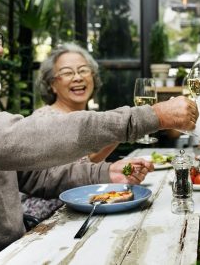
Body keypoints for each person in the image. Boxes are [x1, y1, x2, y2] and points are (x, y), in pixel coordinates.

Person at [0, 0, 198, 264]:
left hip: (16, 251)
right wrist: (149, 116)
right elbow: (28, 139)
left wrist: (105, 174)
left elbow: (32, 174)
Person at [20, 43, 132, 221]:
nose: (78, 77)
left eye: (83, 70)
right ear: (52, 85)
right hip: (46, 219)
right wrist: (121, 128)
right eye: (67, 73)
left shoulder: (92, 117)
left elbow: (88, 166)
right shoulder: (44, 119)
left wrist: (119, 131)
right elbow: (69, 172)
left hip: (82, 210)